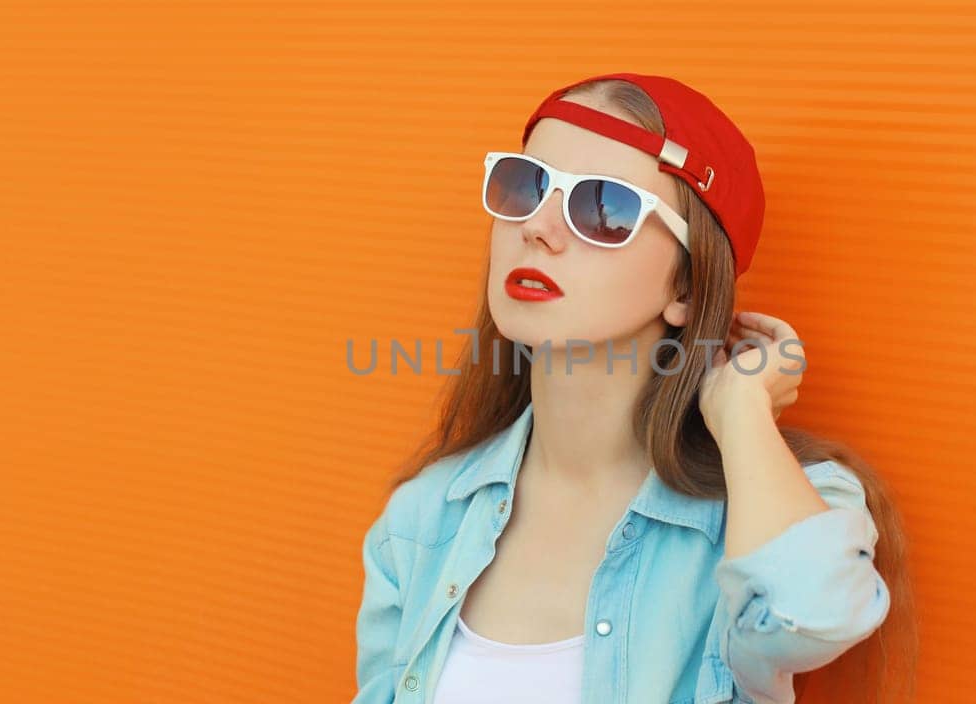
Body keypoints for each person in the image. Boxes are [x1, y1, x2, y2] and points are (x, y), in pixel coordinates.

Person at [352, 72, 917, 704]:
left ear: (686, 287)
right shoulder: (423, 519)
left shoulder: (782, 505)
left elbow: (814, 617)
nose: (537, 228)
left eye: (604, 207)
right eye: (525, 185)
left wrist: (742, 413)